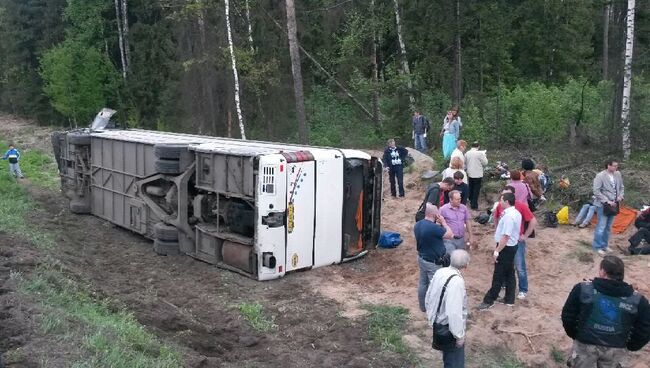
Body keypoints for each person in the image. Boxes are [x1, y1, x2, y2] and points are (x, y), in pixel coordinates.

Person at [561, 256, 650, 367]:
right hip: (616, 348)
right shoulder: (639, 300)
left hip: (585, 344)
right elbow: (645, 329)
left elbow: (567, 315)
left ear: (602, 272)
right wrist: (632, 345)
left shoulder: (582, 289)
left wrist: (576, 335)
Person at [425, 250, 470, 368]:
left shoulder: (440, 272)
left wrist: (431, 317)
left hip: (438, 322)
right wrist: (459, 336)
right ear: (466, 266)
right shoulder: (457, 282)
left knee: (448, 358)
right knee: (455, 362)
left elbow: (428, 295)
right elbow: (454, 313)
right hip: (449, 328)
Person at [477, 192, 522, 310]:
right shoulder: (515, 213)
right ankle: (509, 298)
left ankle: (489, 300)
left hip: (505, 248)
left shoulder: (509, 216)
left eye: (501, 200)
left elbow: (506, 236)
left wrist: (497, 251)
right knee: (509, 273)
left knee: (498, 274)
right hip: (511, 246)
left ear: (506, 202)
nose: (499, 202)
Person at [493, 185, 537, 299]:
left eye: (506, 194)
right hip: (504, 241)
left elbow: (532, 220)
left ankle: (523, 289)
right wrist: (497, 229)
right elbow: (496, 217)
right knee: (504, 263)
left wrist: (525, 235)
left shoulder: (520, 206)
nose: (502, 197)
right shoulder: (500, 206)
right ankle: (504, 284)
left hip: (516, 240)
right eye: (502, 194)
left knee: (519, 265)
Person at [414, 203, 453, 312]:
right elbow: (450, 235)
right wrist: (444, 223)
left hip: (422, 258)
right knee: (436, 286)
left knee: (423, 283)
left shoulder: (418, 224)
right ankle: (436, 309)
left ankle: (423, 307)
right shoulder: (434, 228)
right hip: (433, 262)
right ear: (435, 214)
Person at [592, 159, 624, 256]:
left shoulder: (617, 174)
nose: (616, 167)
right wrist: (607, 201)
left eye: (616, 166)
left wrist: (620, 196)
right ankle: (597, 247)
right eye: (614, 166)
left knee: (608, 227)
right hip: (603, 205)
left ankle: (604, 245)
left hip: (614, 204)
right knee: (601, 226)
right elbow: (596, 191)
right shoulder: (600, 176)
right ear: (608, 166)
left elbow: (621, 187)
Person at [464, 141, 487, 210]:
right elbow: (485, 163)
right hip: (478, 174)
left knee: (471, 187)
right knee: (476, 189)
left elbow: (465, 162)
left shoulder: (467, 153)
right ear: (478, 146)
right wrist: (484, 155)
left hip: (470, 173)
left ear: (471, 146)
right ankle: (474, 205)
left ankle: (470, 200)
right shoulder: (480, 153)